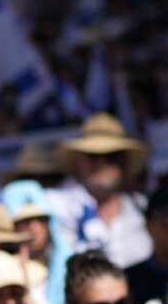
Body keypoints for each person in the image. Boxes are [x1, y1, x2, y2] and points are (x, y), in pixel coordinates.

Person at [46, 113, 153, 269]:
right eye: (93, 155)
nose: (102, 163)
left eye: (111, 156)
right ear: (79, 160)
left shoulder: (145, 208)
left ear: (124, 161)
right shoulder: (55, 205)